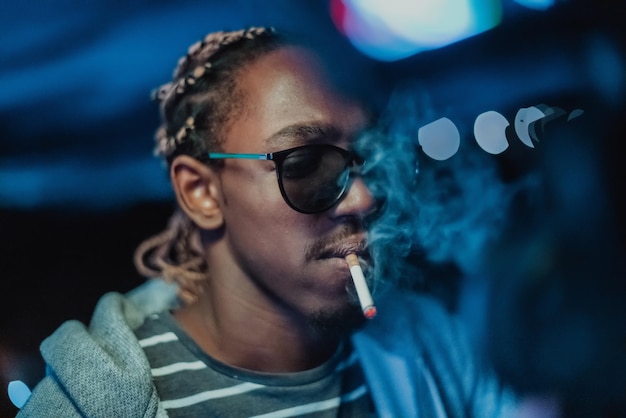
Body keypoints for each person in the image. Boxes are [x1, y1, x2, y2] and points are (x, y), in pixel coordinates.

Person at [15, 27, 515, 417]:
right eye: (307, 165)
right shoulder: (84, 408)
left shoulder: (432, 345)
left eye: (372, 159)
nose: (362, 198)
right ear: (202, 192)